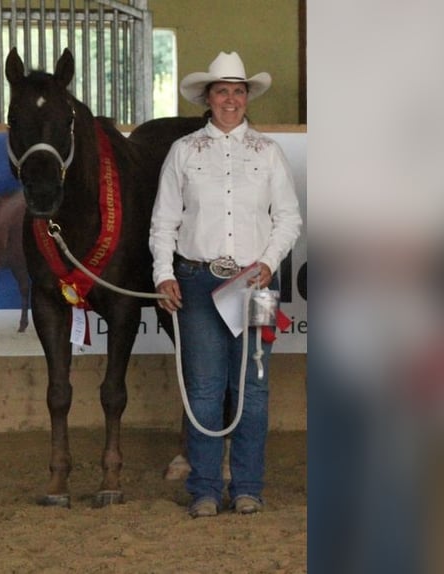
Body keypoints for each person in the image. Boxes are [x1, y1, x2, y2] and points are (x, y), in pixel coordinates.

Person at [149, 51, 302, 518]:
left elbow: (289, 219)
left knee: (253, 390)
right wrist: (164, 273)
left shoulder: (269, 153)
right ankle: (206, 489)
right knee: (204, 390)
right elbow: (164, 222)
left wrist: (270, 262)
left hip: (253, 284)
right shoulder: (184, 152)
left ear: (246, 98)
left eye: (238, 91)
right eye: (222, 91)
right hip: (197, 281)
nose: (231, 99)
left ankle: (248, 487)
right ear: (208, 99)